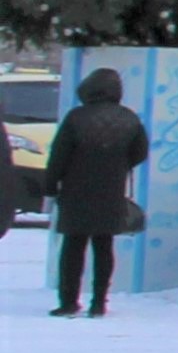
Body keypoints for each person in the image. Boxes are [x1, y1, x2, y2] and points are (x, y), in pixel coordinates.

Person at [45, 69, 146, 317]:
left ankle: (69, 301)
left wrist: (50, 186)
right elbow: (140, 151)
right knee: (104, 246)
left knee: (73, 247)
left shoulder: (76, 118)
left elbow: (59, 155)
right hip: (111, 190)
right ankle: (99, 302)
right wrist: (119, 165)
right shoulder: (129, 118)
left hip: (75, 190)